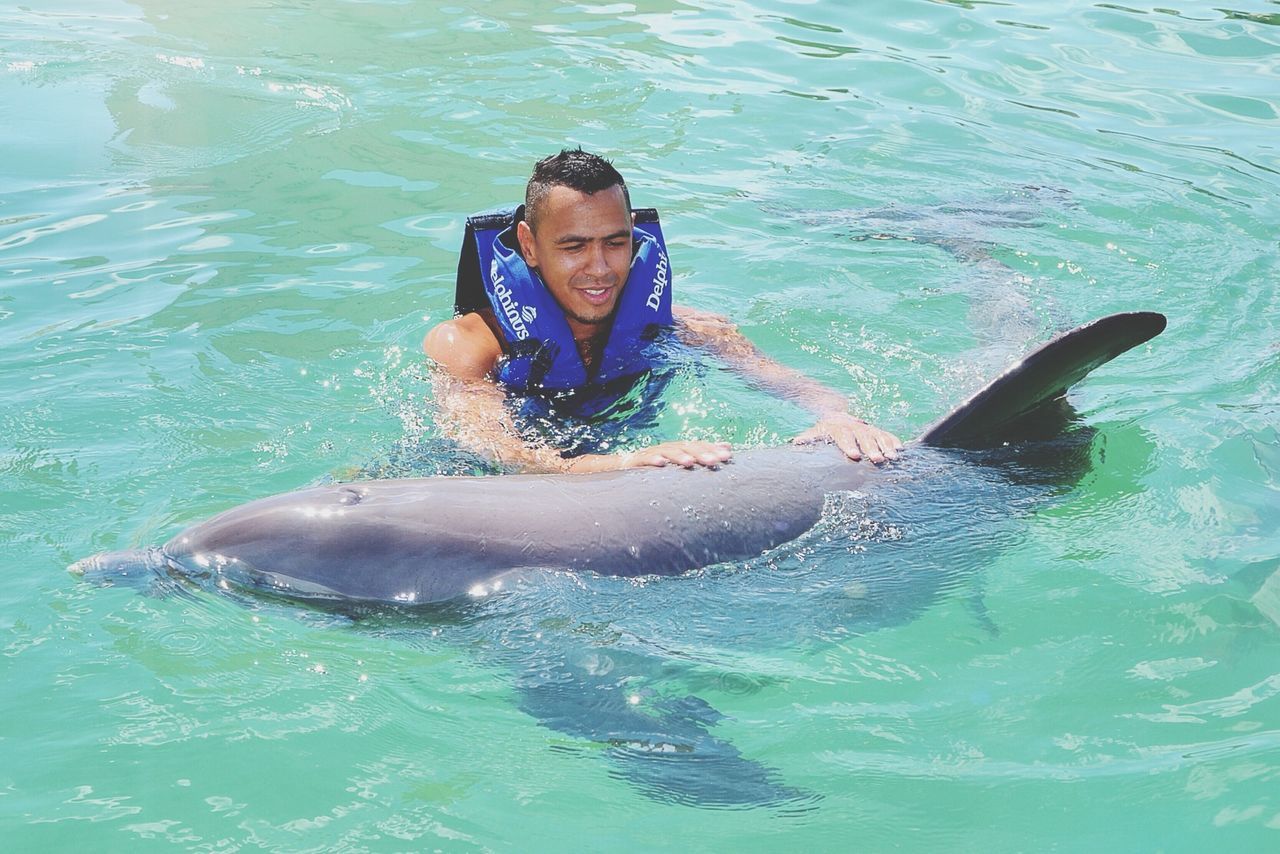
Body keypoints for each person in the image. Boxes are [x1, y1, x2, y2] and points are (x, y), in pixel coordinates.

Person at [423, 148, 902, 474]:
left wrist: (838, 417)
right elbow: (500, 451)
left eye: (615, 242)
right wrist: (626, 465)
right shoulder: (467, 347)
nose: (600, 269)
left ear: (633, 233)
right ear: (528, 244)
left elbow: (782, 379)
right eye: (573, 246)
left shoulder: (681, 326)